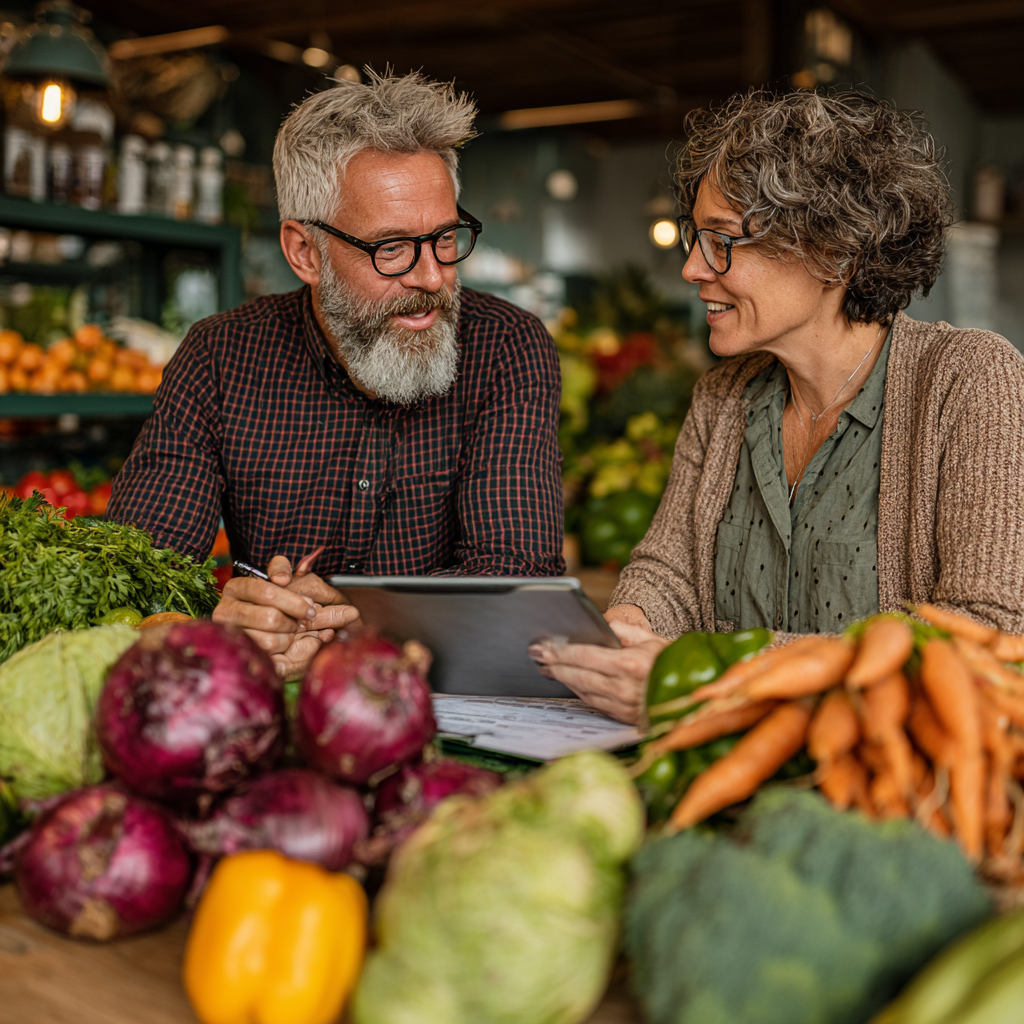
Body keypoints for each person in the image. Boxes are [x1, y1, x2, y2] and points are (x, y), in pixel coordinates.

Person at [533, 89, 1024, 724]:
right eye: (695, 237)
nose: (691, 268)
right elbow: (668, 573)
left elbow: (986, 635)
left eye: (722, 240)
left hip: (877, 771)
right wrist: (626, 633)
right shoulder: (722, 394)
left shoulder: (969, 380)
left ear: (833, 250)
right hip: (709, 753)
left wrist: (712, 675)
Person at [108, 71, 565, 678]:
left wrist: (346, 621)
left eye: (445, 238)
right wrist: (228, 623)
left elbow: (516, 577)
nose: (433, 277)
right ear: (305, 252)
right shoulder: (220, 357)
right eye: (391, 248)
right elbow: (137, 575)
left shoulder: (507, 346)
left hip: (440, 700)